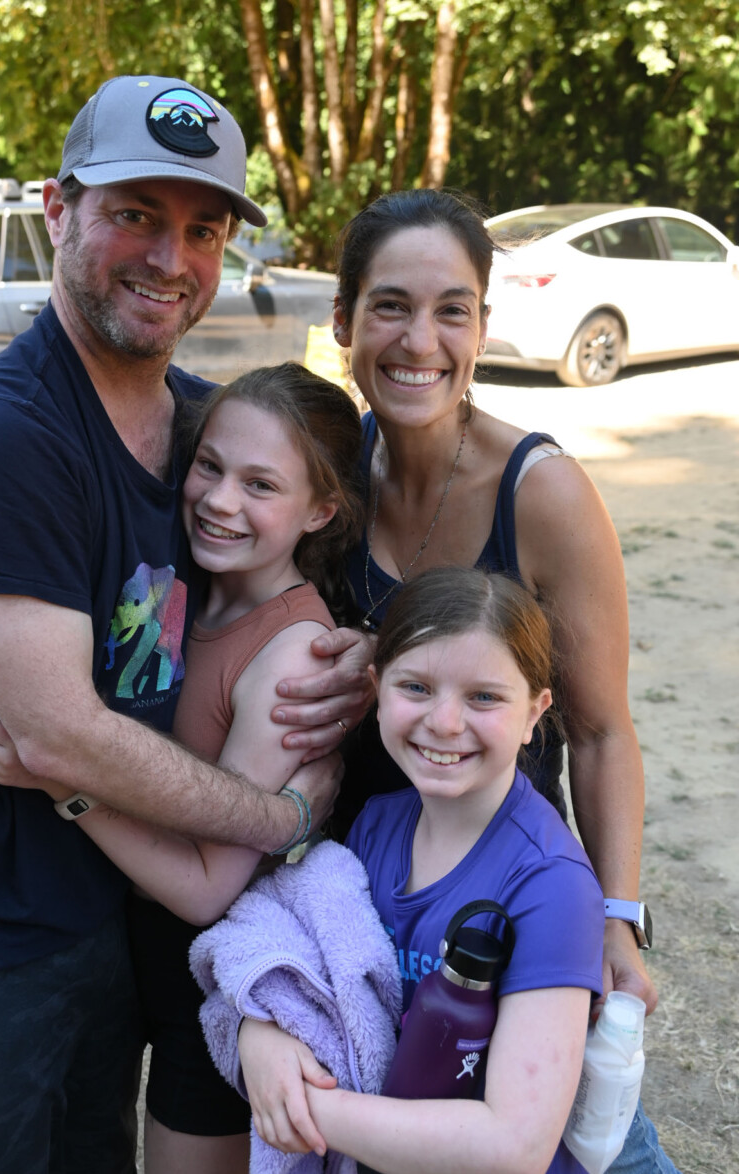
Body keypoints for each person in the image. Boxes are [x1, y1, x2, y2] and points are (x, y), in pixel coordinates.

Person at [0, 76, 365, 1174]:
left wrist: (358, 645)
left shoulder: (196, 431)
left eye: (203, 228)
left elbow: (310, 524)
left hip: (104, 932)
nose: (169, 258)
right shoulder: (1, 439)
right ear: (57, 208)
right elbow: (56, 735)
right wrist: (277, 816)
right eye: (134, 212)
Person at [268, 188, 678, 1171]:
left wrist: (616, 920)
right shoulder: (329, 472)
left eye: (452, 308)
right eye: (390, 307)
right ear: (343, 322)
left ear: (483, 324)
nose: (420, 339)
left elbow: (600, 729)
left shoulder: (542, 492)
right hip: (370, 887)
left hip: (502, 901)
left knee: (569, 1136)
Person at [0, 360, 365, 1174]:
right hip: (116, 944)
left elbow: (209, 887)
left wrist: (62, 779)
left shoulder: (295, 656)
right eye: (209, 467)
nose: (219, 500)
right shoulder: (183, 579)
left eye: (261, 485)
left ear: (320, 510)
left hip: (206, 977)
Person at [233, 565, 604, 1173]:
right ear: (376, 689)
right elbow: (306, 974)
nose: (445, 723)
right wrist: (260, 1033)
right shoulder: (377, 825)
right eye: (416, 688)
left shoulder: (550, 886)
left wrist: (305, 1109)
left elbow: (515, 1146)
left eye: (484, 696)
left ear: (535, 712)